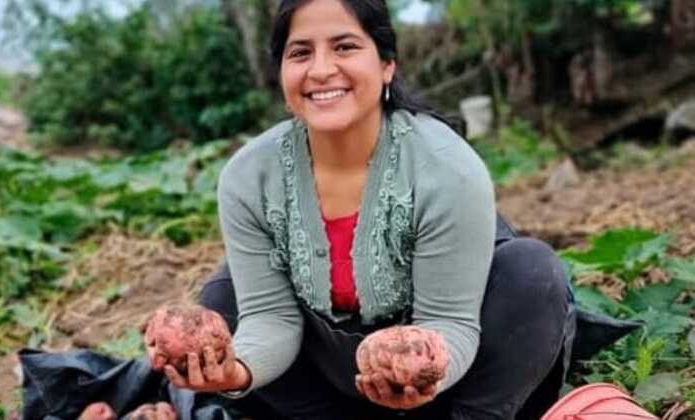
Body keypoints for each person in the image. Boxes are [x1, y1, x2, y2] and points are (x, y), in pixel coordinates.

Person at [160, 0, 576, 419]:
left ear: (386, 64)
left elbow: (450, 321)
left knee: (531, 272)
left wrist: (420, 372)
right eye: (301, 52)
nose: (321, 69)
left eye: (344, 47)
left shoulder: (446, 168)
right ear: (282, 71)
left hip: (447, 386)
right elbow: (271, 317)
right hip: (327, 385)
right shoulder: (249, 176)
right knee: (224, 295)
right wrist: (237, 370)